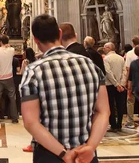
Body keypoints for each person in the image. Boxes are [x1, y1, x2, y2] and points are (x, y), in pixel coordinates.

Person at [20, 14, 108, 162]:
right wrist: (90, 147)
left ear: (35, 40)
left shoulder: (33, 71)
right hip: (85, 154)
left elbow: (30, 122)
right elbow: (103, 111)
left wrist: (64, 153)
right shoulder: (90, 65)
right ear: (59, 34)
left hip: (50, 155)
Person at [0, 34, 19, 123]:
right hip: (9, 77)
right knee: (12, 97)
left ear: (0, 42)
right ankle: (14, 117)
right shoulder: (11, 50)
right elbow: (13, 50)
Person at [103, 42, 127, 132]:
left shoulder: (106, 59)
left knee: (111, 105)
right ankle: (119, 124)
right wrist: (121, 83)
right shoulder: (121, 58)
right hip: (120, 85)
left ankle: (113, 124)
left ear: (109, 48)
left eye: (105, 47)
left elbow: (108, 72)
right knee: (120, 104)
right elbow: (125, 72)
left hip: (110, 85)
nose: (103, 49)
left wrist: (116, 84)